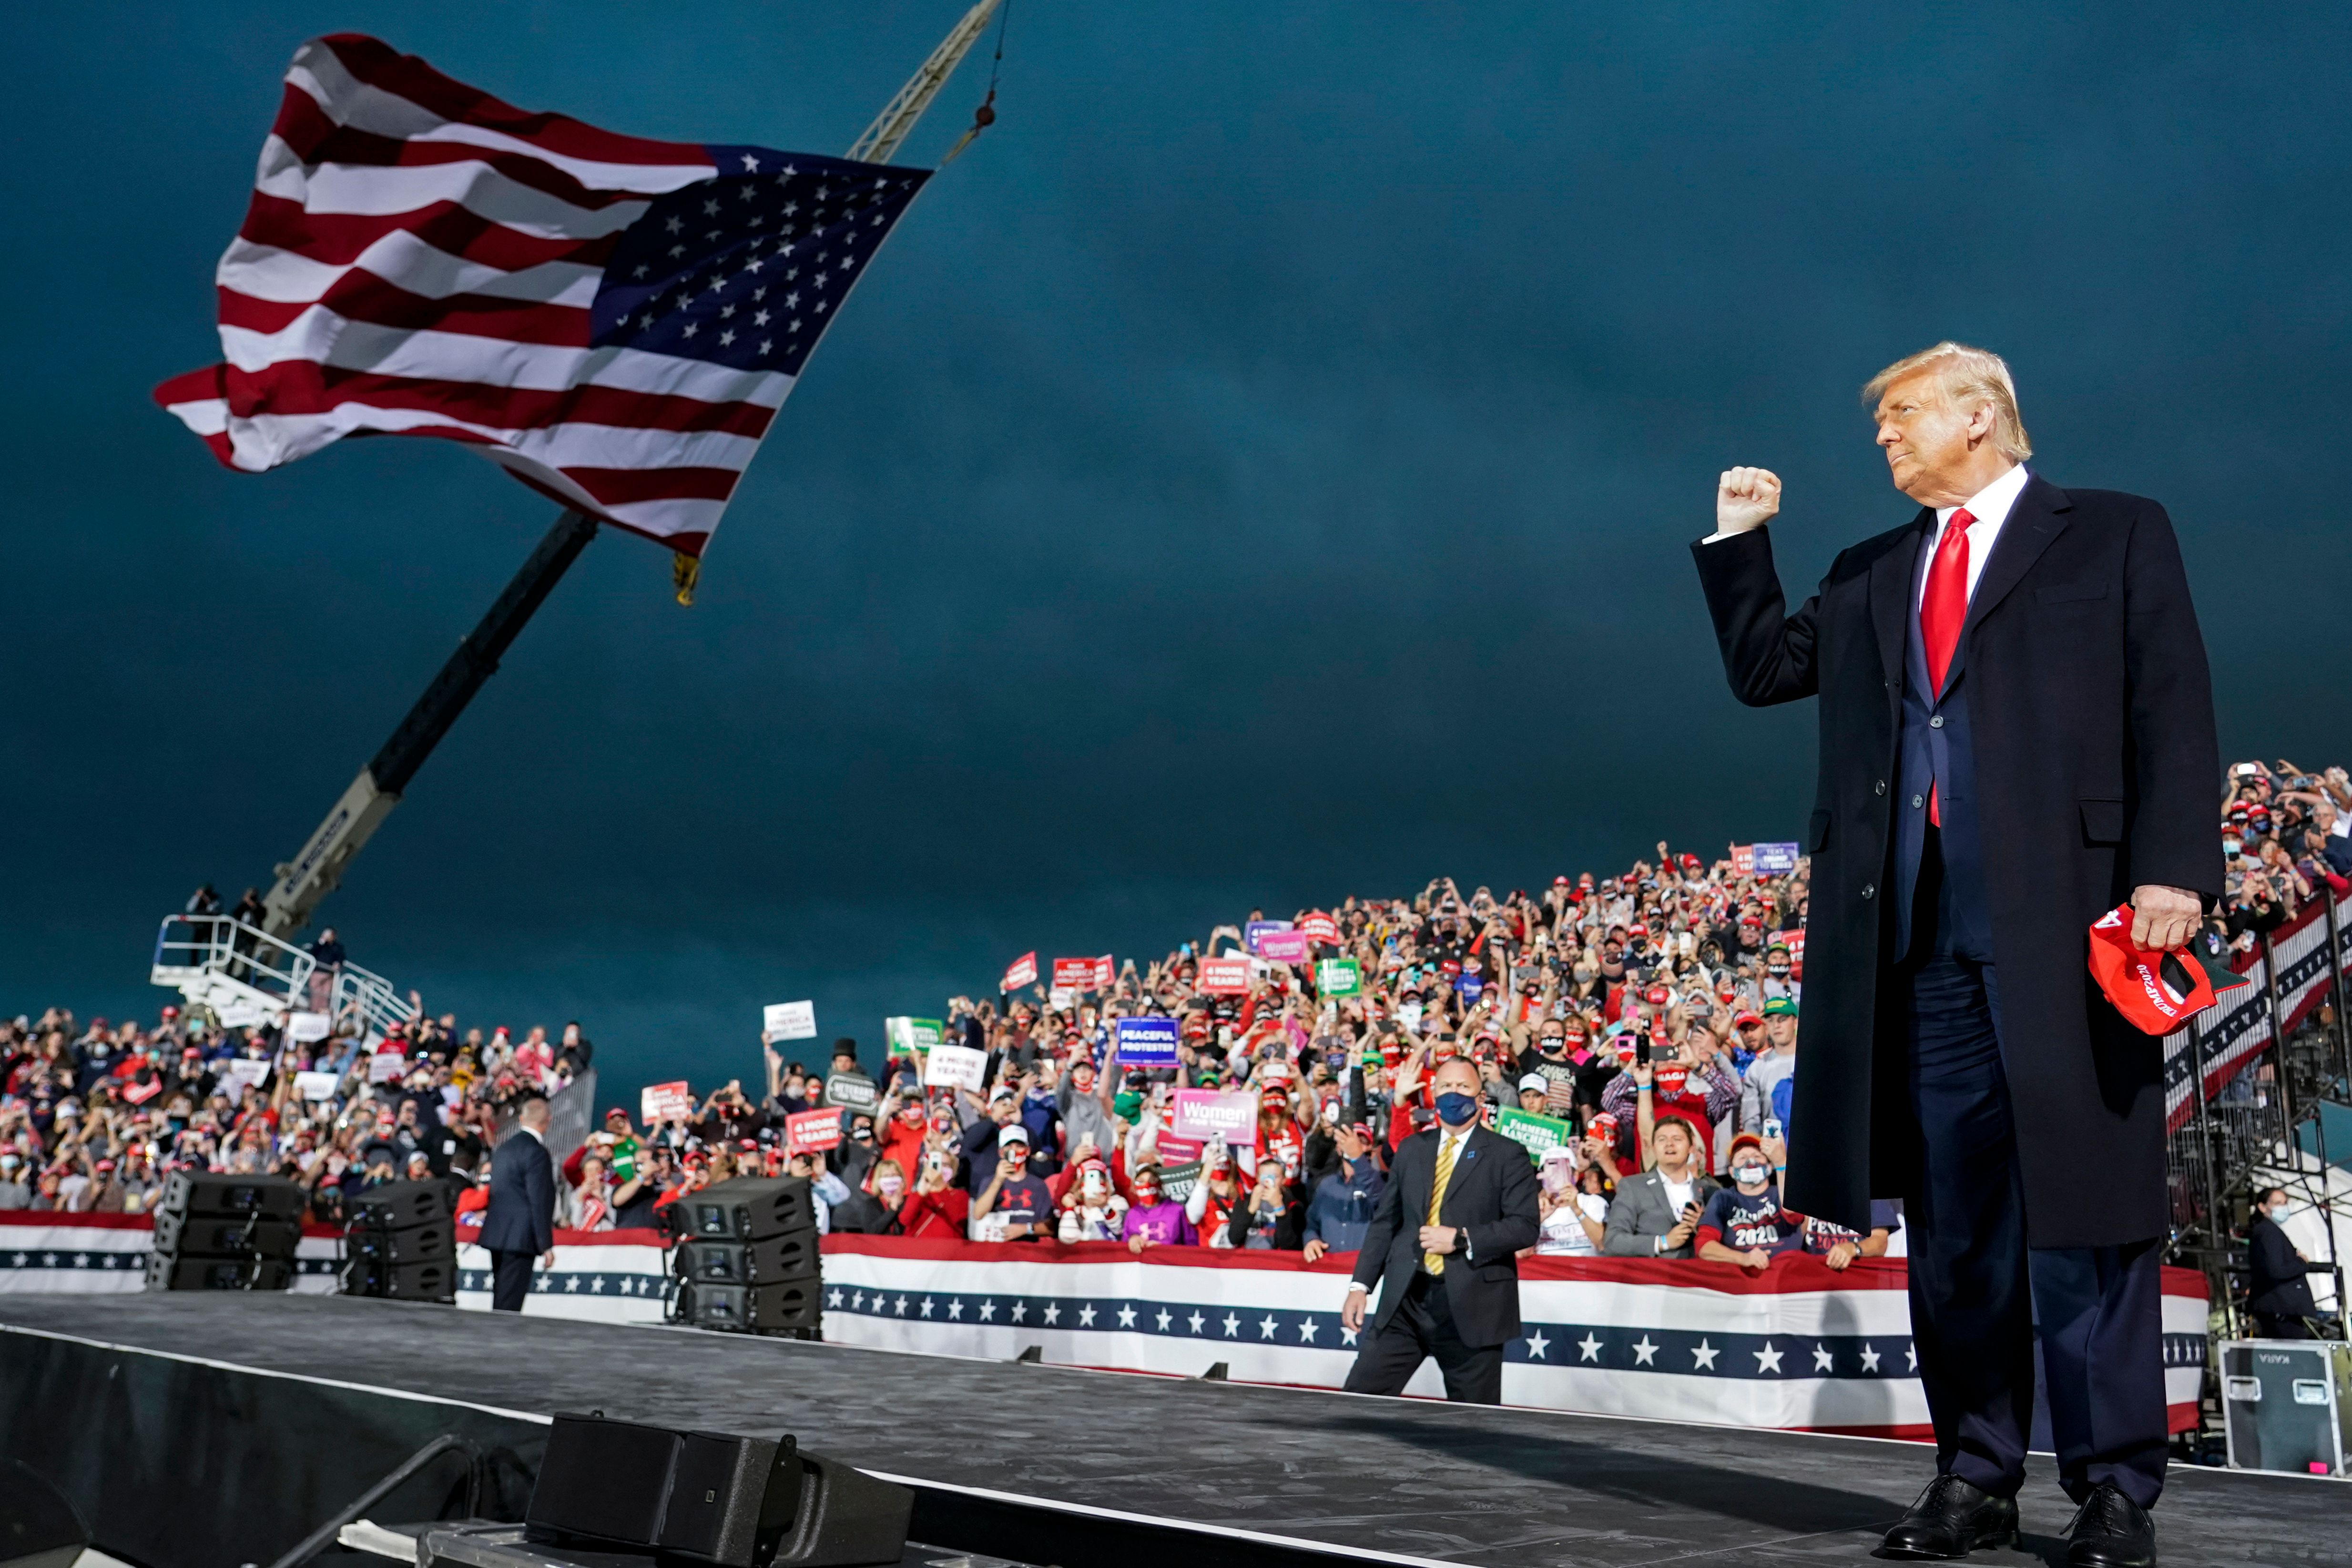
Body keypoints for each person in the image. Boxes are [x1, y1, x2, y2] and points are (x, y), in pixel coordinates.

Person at [1695, 341, 2218, 1566]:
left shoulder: (2117, 533)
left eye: (1905, 416)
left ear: (1980, 418)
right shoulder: (1874, 568)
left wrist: (2175, 867)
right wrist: (1735, 540)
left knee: (2091, 1219)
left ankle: (2114, 1492)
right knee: (1956, 1229)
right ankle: (1976, 1474)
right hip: (1919, 946)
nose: (1884, 437)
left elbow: (2174, 702)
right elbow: (1769, 670)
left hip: (2074, 931)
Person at [1340, 1056, 1539, 1405]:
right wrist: (1360, 1286)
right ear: (1433, 1094)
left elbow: (1524, 1228)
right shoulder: (1412, 1149)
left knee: (1473, 1427)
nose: (1454, 1094)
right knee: (1358, 1404)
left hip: (1473, 1305)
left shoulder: (1508, 1154)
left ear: (1480, 1098)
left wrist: (1462, 1239)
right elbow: (1386, 1222)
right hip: (1406, 1300)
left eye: (1463, 1087)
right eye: (1446, 1086)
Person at [478, 1096, 556, 1312]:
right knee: (509, 1305)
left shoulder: (503, 1149)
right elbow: (539, 1200)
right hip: (521, 1238)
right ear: (547, 1121)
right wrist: (545, 1244)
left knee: (501, 1297)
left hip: (497, 1232)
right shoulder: (537, 1153)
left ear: (522, 1119)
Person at [1601, 1115, 1716, 1258]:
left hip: (1699, 1275)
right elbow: (1613, 1241)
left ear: (1691, 1147)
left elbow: (1729, 1241)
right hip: (1654, 1277)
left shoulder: (1711, 1190)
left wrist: (1703, 1229)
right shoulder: (1633, 1187)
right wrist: (1662, 1242)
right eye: (1662, 1139)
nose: (1669, 1144)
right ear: (1654, 1148)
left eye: (1677, 1139)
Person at [2246, 1187, 2331, 1339]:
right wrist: (2301, 1262)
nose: (2283, 1207)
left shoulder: (2265, 1230)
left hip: (2277, 1307)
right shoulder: (2268, 1232)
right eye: (2278, 1203)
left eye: (2285, 1203)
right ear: (2262, 1206)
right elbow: (2277, 1269)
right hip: (2280, 1307)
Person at [1300, 1121, 1387, 1261]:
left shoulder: (1382, 1181)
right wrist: (1311, 1240)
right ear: (1338, 1148)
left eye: (1361, 1141)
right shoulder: (1327, 1185)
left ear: (1371, 1148)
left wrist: (1357, 1158)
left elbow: (1380, 1199)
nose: (1353, 1145)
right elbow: (1312, 1222)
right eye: (1347, 1141)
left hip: (1365, 1271)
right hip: (1329, 1269)